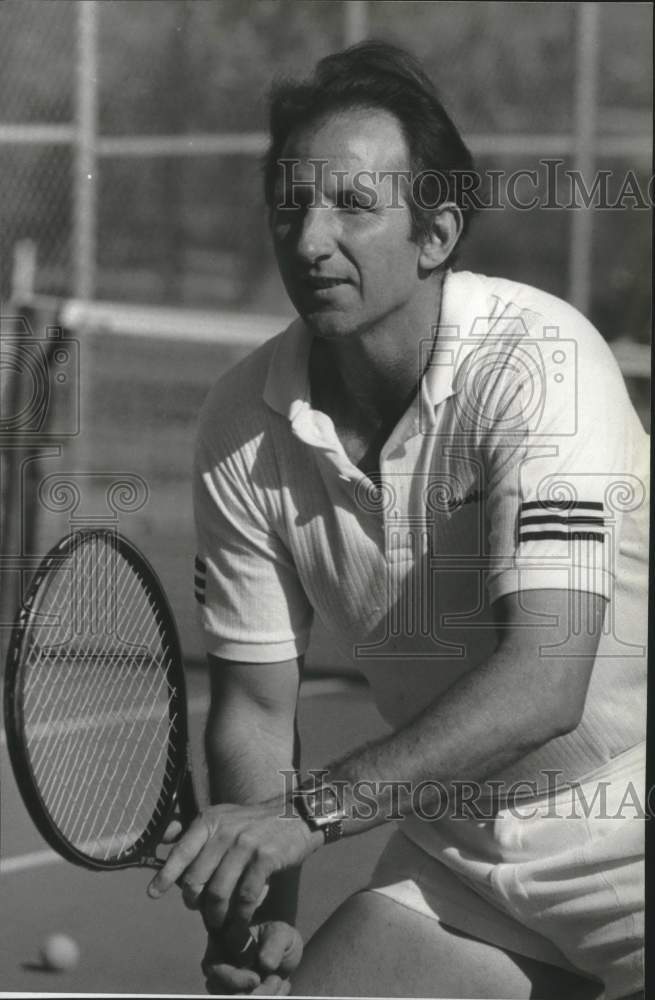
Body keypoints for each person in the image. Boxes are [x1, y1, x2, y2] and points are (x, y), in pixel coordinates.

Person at [147, 42, 648, 999]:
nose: (307, 240)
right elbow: (256, 706)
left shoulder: (540, 360)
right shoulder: (235, 422)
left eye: (351, 205)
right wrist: (263, 897)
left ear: (436, 233)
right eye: (290, 206)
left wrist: (311, 814)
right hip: (469, 863)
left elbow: (545, 682)